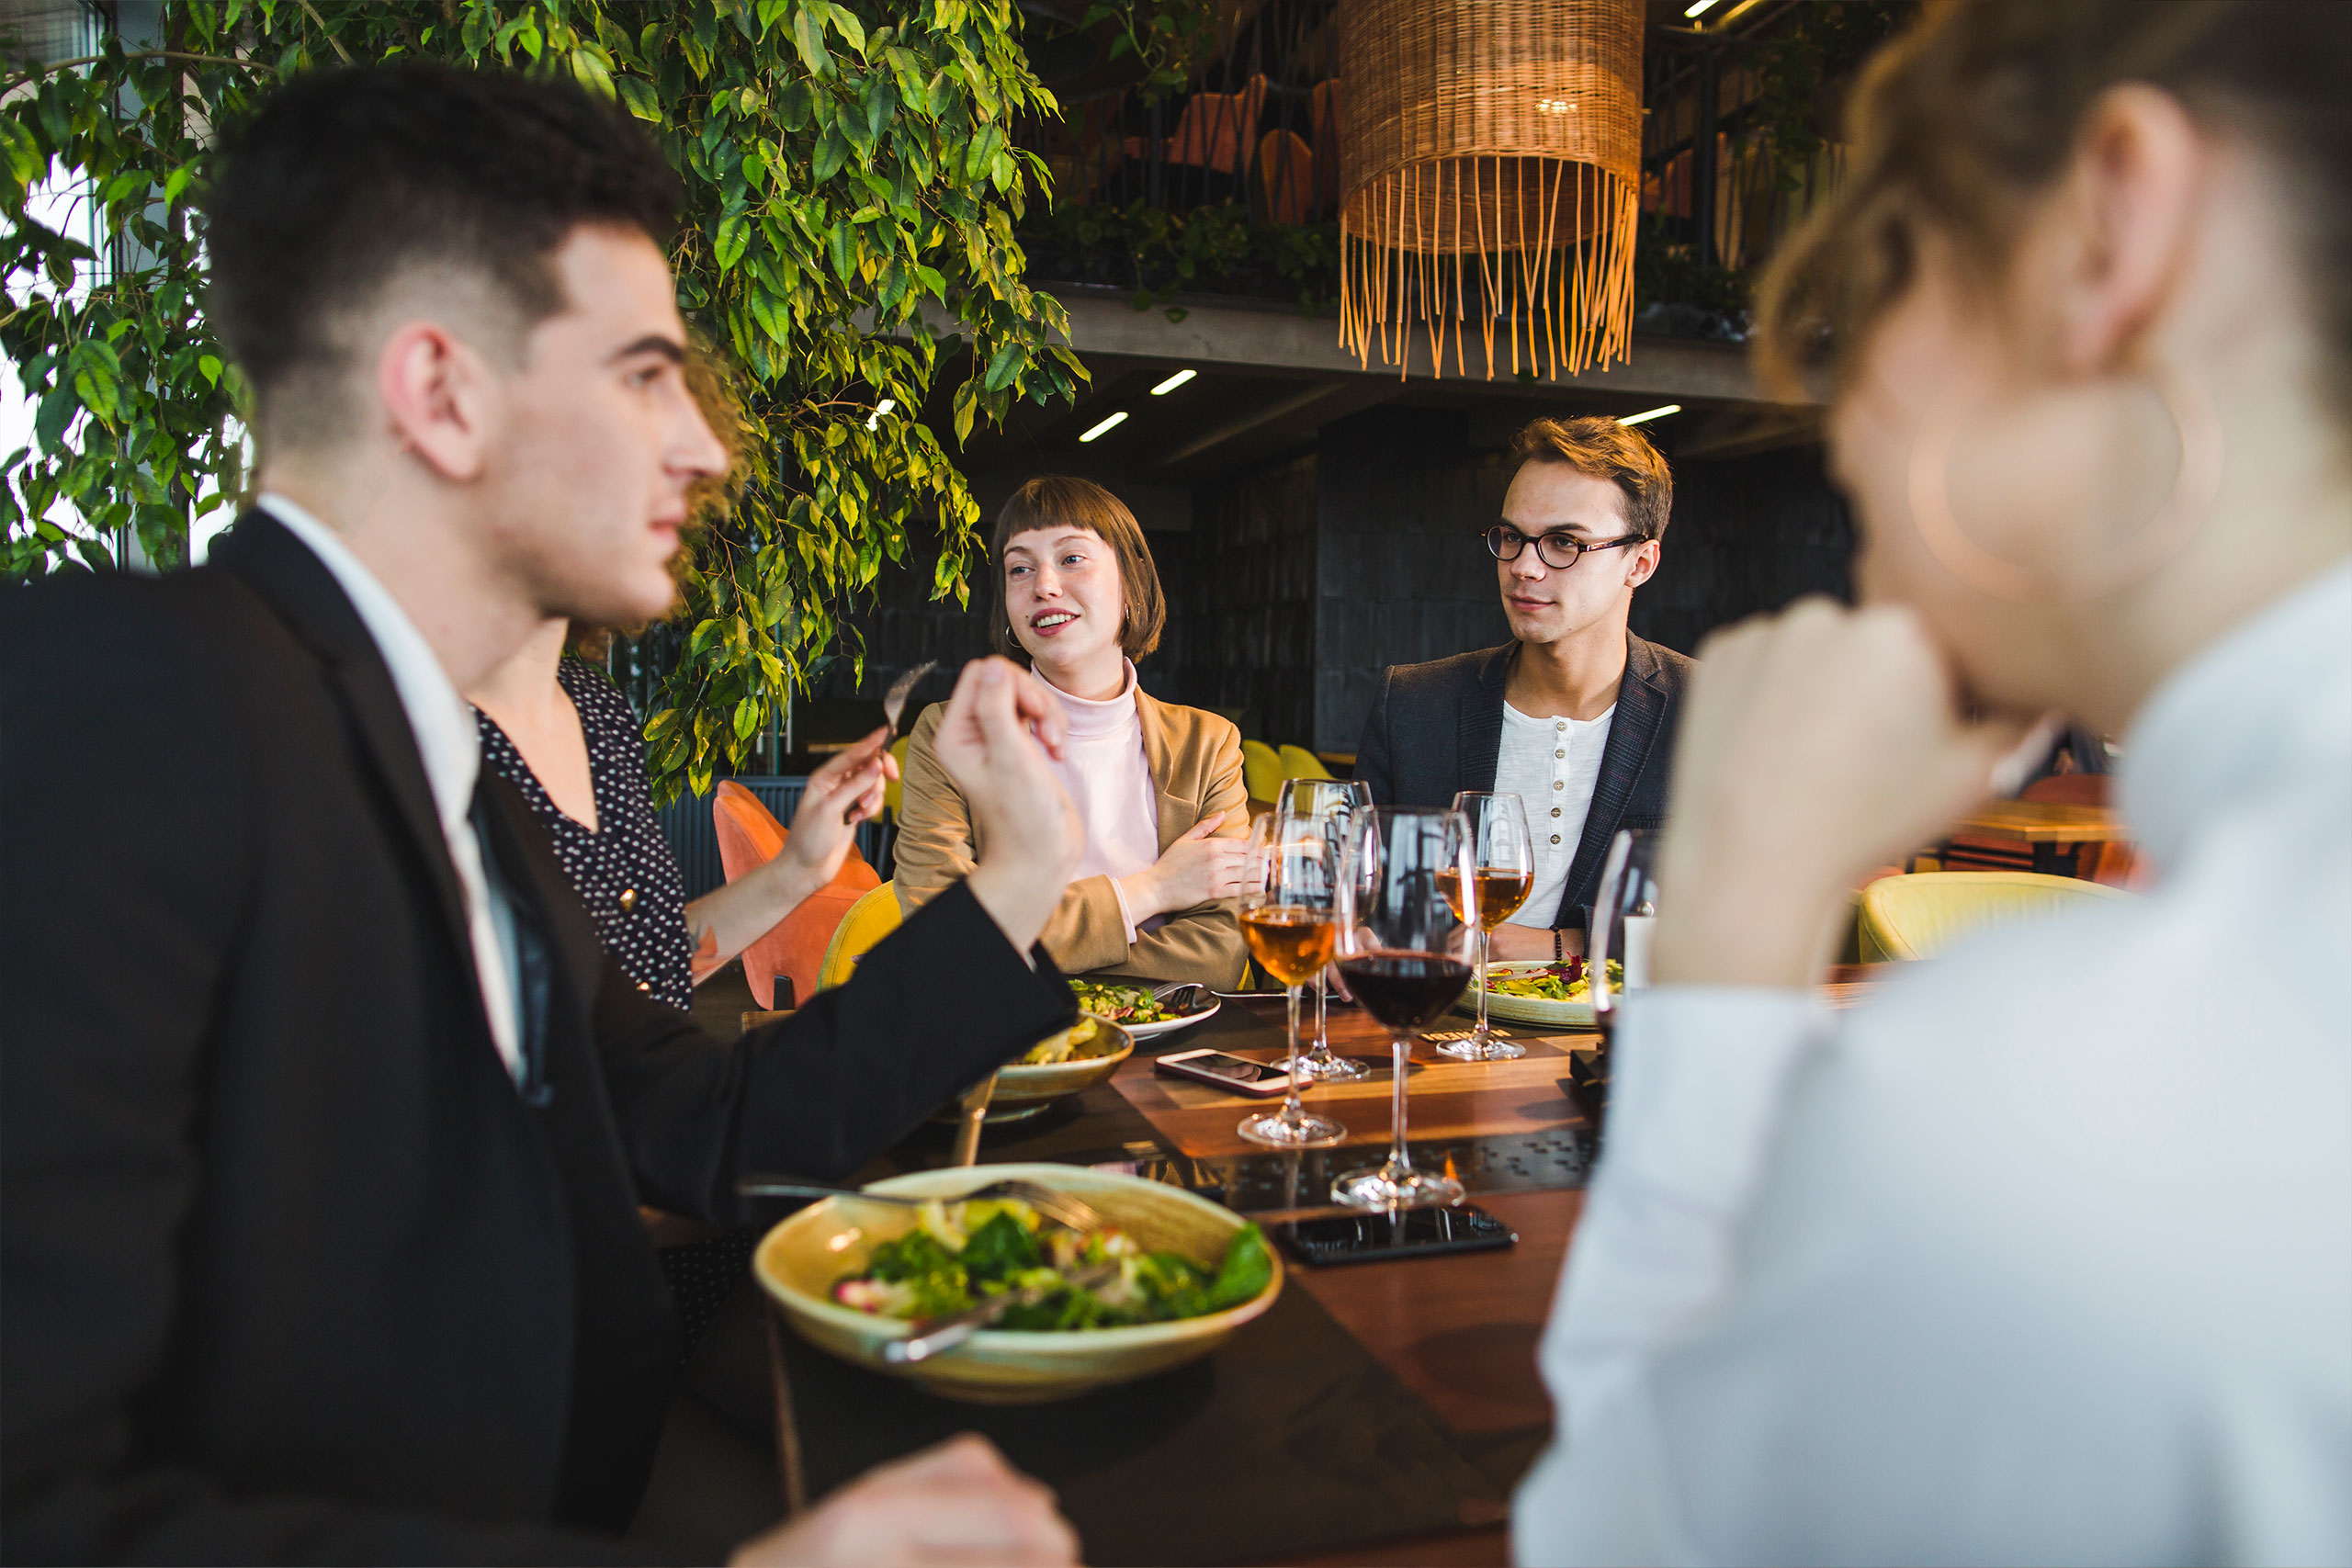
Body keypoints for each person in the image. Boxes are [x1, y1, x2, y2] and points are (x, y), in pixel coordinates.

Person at [0, 62, 1083, 1566]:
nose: (702, 447)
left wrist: (1020, 875)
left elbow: (708, 1128)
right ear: (441, 393)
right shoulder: (125, 694)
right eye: (646, 373)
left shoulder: (457, 791)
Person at [1515, 3, 2350, 1562]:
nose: (1848, 425)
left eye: (1881, 287)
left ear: (2110, 225)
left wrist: (1735, 920)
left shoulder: (2043, 1111)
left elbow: (1624, 1537)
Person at [1352, 417, 1693, 961]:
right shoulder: (1415, 704)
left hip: (1620, 1036)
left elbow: (1762, 914)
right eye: (1512, 537)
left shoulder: (1716, 712)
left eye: (1565, 543)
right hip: (1434, 1026)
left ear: (1641, 563)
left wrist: (1567, 944)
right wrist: (1348, 935)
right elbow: (1359, 896)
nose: (1523, 567)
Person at [895, 475, 1251, 987]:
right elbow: (947, 941)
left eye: (1072, 559)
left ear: (1132, 584)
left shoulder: (1208, 744)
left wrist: (1024, 952)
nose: (1043, 585)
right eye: (1020, 568)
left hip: (1169, 1051)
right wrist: (1153, 890)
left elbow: (1219, 956)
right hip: (1008, 1053)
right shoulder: (950, 734)